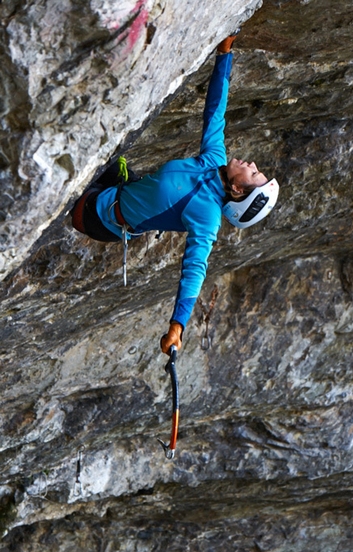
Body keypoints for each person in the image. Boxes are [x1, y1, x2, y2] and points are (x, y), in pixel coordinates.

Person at [71, 33, 279, 354]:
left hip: (99, 217)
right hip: (118, 186)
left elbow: (194, 270)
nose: (251, 163)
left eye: (253, 173)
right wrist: (225, 55)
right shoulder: (215, 160)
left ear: (238, 190)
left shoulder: (207, 216)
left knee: (60, 195)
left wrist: (177, 326)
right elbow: (216, 111)